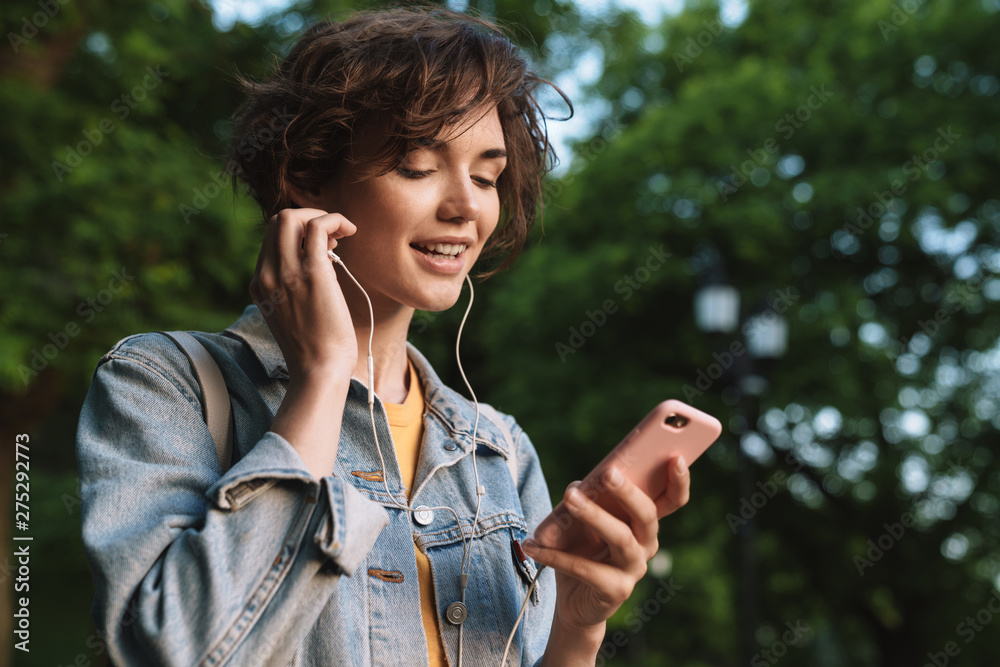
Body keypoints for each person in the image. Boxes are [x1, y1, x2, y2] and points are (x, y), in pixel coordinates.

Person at [75, 6, 692, 666]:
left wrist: (577, 628)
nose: (466, 206)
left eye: (486, 175)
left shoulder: (500, 450)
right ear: (308, 178)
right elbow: (175, 651)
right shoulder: (163, 383)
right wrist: (322, 378)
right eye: (419, 166)